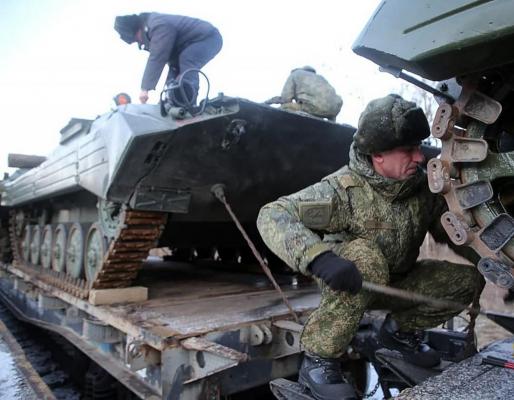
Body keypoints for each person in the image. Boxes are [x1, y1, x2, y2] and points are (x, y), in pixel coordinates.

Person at [257, 94, 482, 400]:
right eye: (408, 150)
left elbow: (456, 233)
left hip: (396, 283)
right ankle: (319, 361)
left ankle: (399, 335)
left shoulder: (421, 191)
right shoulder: (343, 190)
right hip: (351, 282)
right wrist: (318, 258)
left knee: (466, 280)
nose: (419, 157)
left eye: (418, 147)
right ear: (378, 155)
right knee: (366, 257)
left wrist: (501, 268)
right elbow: (273, 214)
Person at [114, 13, 223, 105]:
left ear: (137, 30)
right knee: (173, 77)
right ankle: (171, 102)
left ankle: (188, 102)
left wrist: (145, 89)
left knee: (188, 59)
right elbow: (170, 63)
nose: (140, 43)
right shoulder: (151, 26)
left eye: (137, 40)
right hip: (186, 46)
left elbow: (158, 56)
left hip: (207, 38)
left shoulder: (157, 25)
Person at [265, 66, 343, 121]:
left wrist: (267, 102)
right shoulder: (321, 78)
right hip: (332, 112)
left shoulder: (295, 74)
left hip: (311, 107)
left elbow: (285, 99)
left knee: (284, 108)